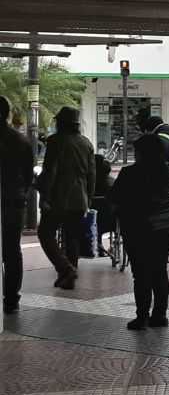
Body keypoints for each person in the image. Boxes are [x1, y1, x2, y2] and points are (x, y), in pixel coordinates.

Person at [110, 135, 169, 330]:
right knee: (159, 269)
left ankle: (142, 317)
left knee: (140, 273)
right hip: (166, 224)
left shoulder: (130, 173)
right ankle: (160, 315)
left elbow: (115, 198)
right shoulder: (167, 171)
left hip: (139, 226)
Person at [37, 107, 96, 289]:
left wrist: (44, 196)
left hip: (59, 197)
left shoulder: (55, 142)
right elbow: (91, 175)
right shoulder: (86, 143)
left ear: (61, 123)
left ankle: (65, 268)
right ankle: (70, 275)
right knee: (72, 237)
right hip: (80, 198)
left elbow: (50, 171)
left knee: (45, 233)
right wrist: (89, 199)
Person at [1, 97, 35, 313]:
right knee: (12, 250)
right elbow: (29, 174)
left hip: (11, 198)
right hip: (14, 201)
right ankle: (11, 297)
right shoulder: (20, 140)